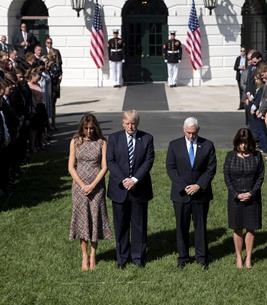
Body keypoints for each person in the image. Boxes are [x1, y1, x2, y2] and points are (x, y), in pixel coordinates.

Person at [166, 117, 217, 269]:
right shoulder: (174, 145)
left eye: (193, 133)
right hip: (181, 194)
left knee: (200, 226)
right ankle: (183, 257)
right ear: (183, 130)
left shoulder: (207, 145)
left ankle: (202, 257)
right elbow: (171, 168)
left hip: (200, 194)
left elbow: (211, 168)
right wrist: (184, 186)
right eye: (188, 132)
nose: (191, 135)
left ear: (198, 130)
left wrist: (199, 185)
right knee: (181, 227)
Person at [106, 110, 155, 268]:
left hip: (139, 188)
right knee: (121, 225)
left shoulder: (147, 138)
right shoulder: (114, 138)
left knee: (139, 225)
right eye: (127, 123)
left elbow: (148, 161)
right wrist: (124, 180)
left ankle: (138, 258)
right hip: (119, 189)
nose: (130, 126)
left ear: (137, 123)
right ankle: (122, 258)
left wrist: (134, 179)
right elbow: (110, 161)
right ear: (122, 123)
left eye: (133, 123)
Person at [68, 113, 112, 271]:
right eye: (86, 128)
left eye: (92, 128)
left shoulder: (102, 142)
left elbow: (105, 166)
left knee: (95, 219)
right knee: (82, 220)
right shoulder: (75, 141)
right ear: (82, 127)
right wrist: (82, 185)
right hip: (79, 188)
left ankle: (93, 254)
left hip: (97, 187)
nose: (89, 131)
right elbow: (71, 167)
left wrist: (93, 185)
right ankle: (84, 255)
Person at [224, 128, 264, 269]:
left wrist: (251, 193)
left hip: (252, 198)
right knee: (237, 228)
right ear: (236, 142)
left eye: (246, 143)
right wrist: (236, 194)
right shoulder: (230, 156)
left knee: (251, 228)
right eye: (241, 143)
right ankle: (238, 256)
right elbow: (227, 177)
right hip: (235, 198)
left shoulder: (257, 156)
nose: (243, 146)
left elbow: (260, 177)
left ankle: (249, 257)